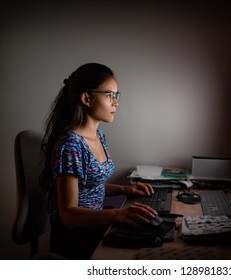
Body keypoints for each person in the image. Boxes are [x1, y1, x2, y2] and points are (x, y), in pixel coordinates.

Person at [40, 63, 157, 259]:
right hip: (75, 236)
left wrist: (124, 190)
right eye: (109, 95)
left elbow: (88, 185)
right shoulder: (71, 144)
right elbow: (68, 213)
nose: (116, 103)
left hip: (92, 225)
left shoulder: (98, 136)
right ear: (87, 98)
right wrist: (117, 214)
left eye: (116, 96)